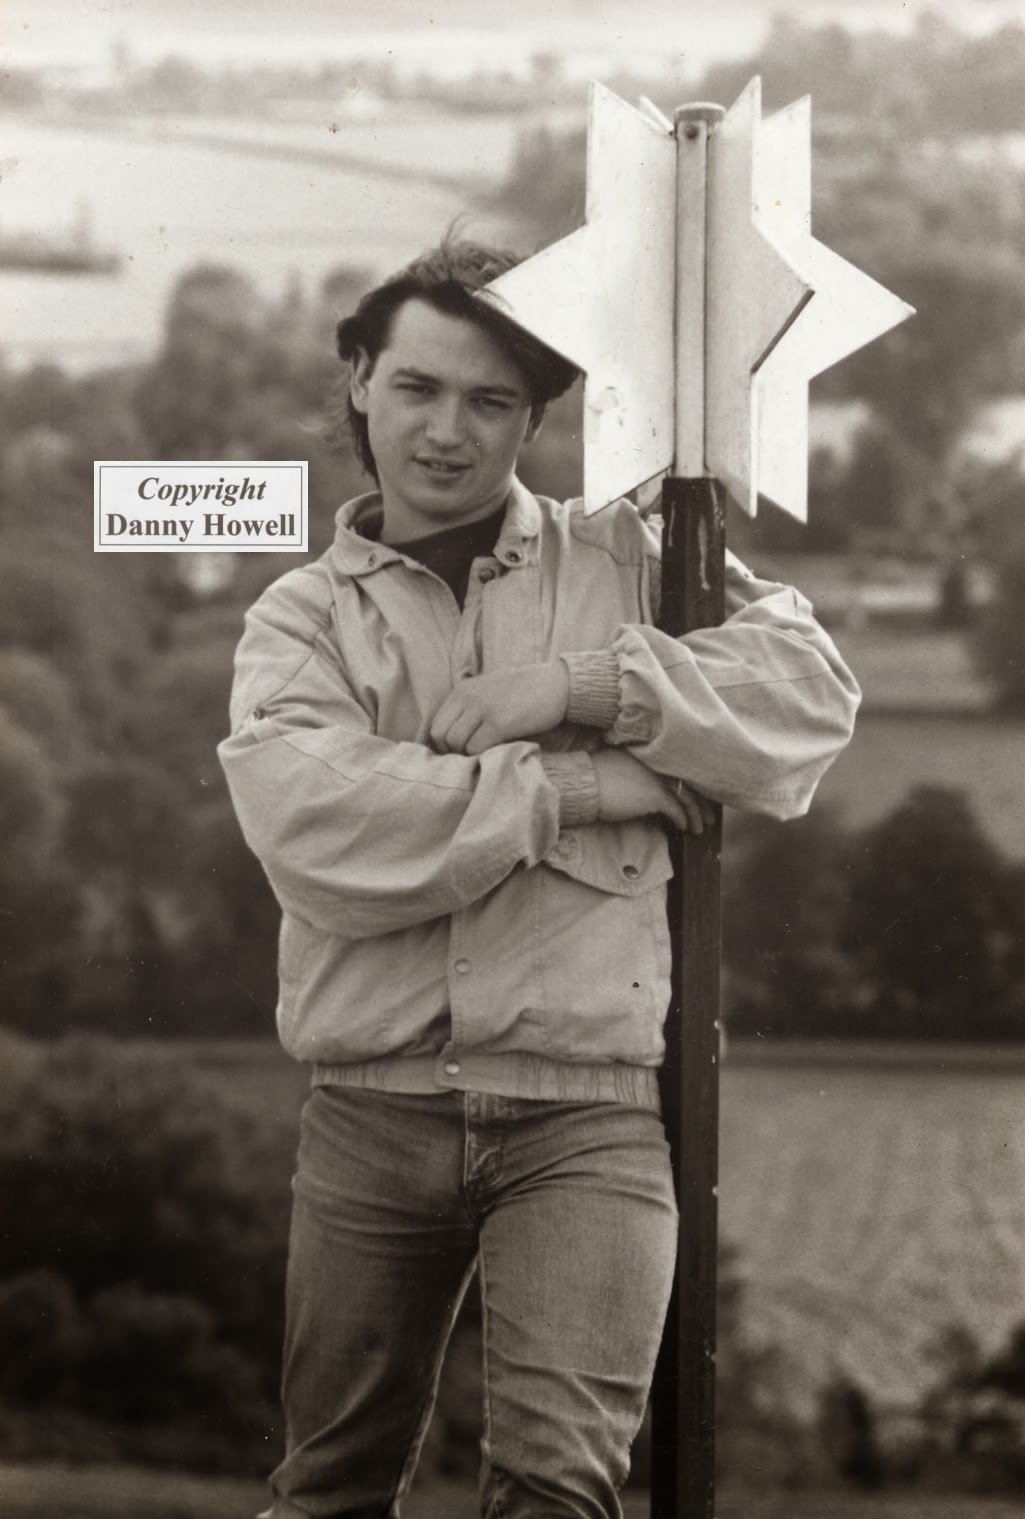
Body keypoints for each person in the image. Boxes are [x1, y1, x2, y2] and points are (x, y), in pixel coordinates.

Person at [218, 238, 860, 1519]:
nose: (446, 430)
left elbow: (806, 697)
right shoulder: (301, 618)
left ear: (537, 416)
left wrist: (580, 684)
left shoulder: (628, 563)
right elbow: (317, 826)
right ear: (359, 381)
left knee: (556, 1489)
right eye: (417, 387)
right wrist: (581, 786)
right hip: (368, 1110)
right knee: (328, 1488)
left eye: (491, 399)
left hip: (588, 1117)